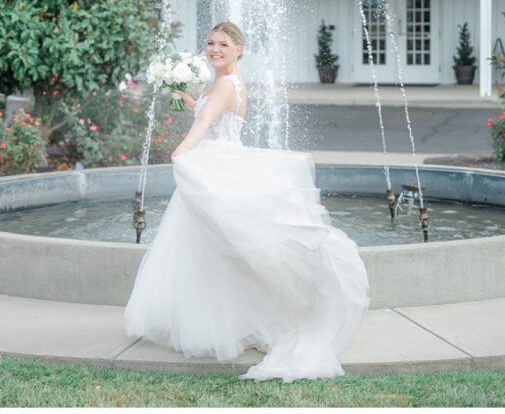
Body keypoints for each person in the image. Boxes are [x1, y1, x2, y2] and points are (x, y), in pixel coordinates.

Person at [124, 21, 369, 383]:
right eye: (209, 43)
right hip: (223, 160)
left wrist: (180, 151)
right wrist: (181, 92)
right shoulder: (229, 83)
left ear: (239, 50)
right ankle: (236, 320)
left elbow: (206, 123)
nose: (214, 49)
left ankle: (227, 323)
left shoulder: (225, 83)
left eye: (223, 44)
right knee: (216, 246)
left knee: (219, 245)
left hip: (217, 163)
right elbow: (206, 110)